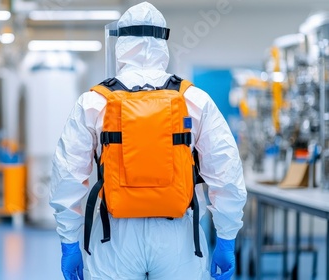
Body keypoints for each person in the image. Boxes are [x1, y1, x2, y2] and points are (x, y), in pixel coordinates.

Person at [49, 2, 247, 280]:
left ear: (121, 43)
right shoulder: (194, 99)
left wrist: (69, 241)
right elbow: (225, 170)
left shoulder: (94, 101)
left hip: (113, 236)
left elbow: (67, 174)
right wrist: (226, 237)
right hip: (178, 237)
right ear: (162, 43)